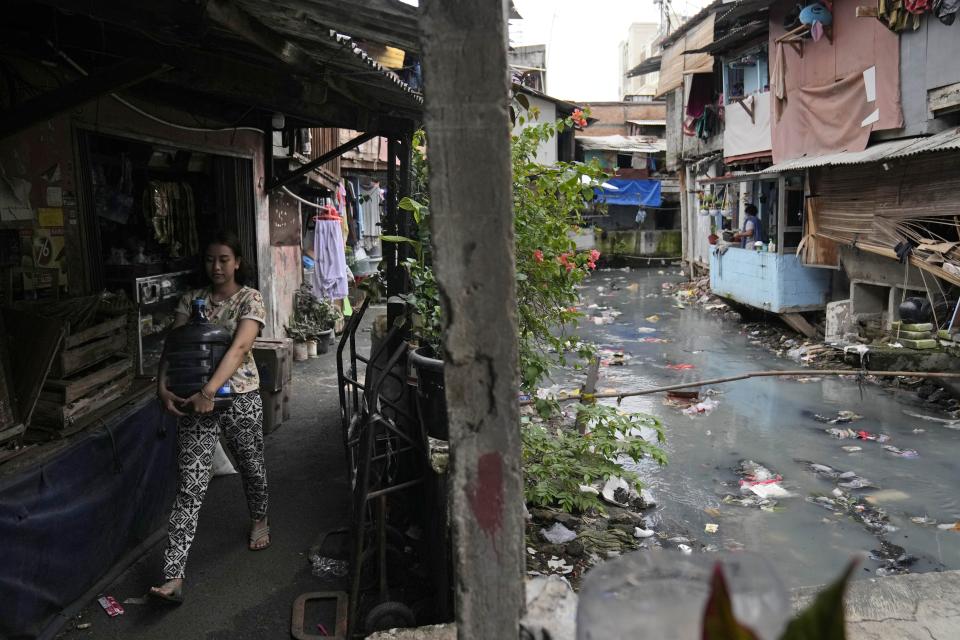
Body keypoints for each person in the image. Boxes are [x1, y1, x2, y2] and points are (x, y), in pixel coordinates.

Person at [151, 230, 270, 604]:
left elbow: (240, 347)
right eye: (209, 260)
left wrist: (209, 391)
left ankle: (260, 519)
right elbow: (174, 345)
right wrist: (162, 386)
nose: (216, 266)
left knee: (251, 466)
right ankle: (173, 576)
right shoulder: (192, 300)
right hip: (194, 405)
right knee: (190, 484)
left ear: (237, 262)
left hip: (239, 399)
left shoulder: (249, 299)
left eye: (223, 259)